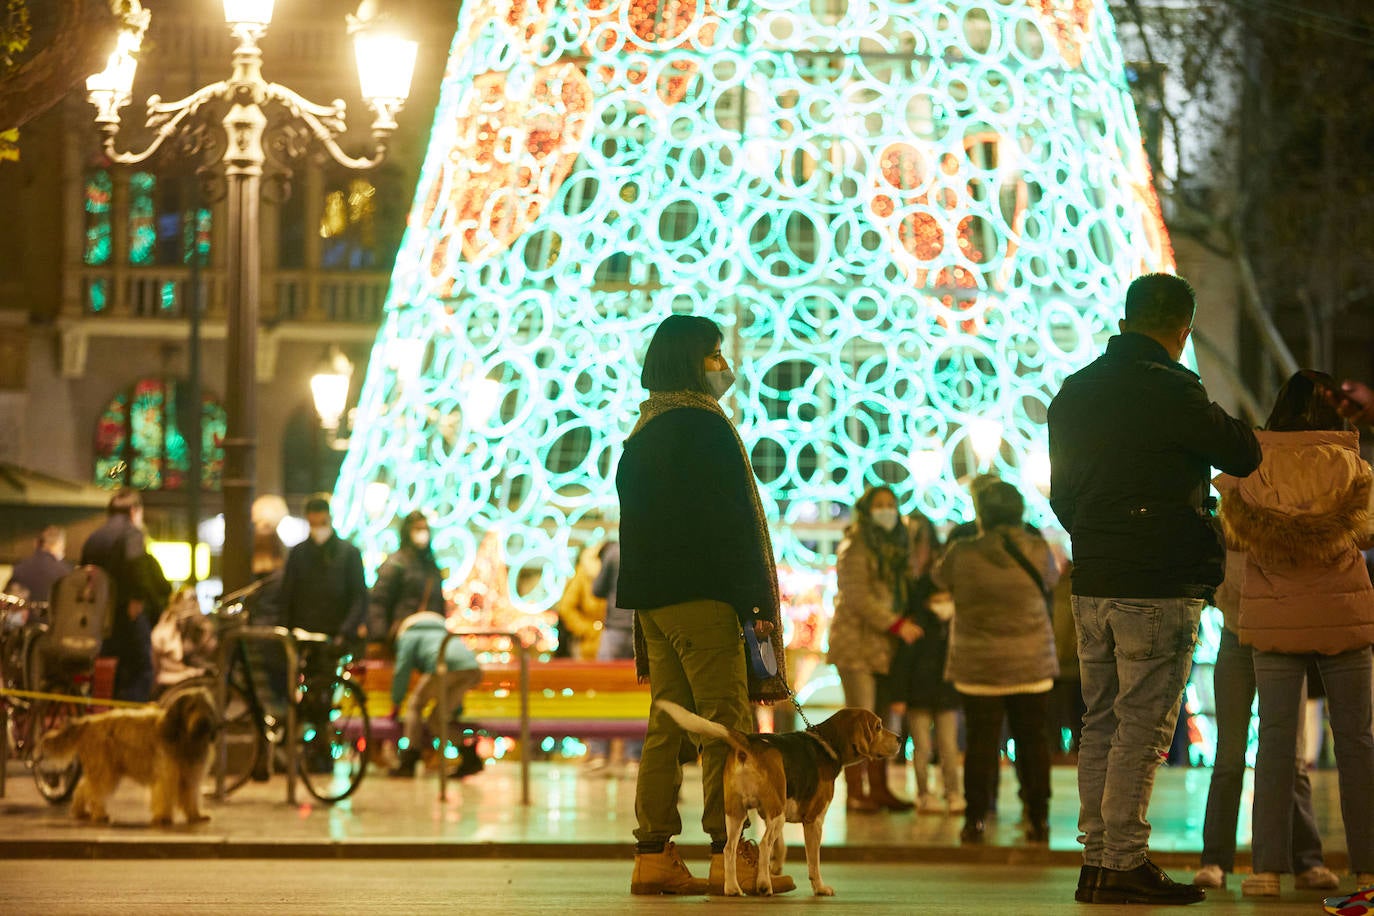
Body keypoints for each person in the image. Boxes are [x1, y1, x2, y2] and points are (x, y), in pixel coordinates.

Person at [1047, 272, 1262, 906]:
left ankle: (1096, 860)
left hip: (1094, 581)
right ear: (1182, 329)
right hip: (1157, 583)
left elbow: (1062, 492)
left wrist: (1096, 531)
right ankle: (1124, 862)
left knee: (1101, 723)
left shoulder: (1075, 391)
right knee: (1142, 727)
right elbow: (1243, 452)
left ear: (1125, 318)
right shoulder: (1175, 390)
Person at [615, 314, 793, 896]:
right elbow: (731, 525)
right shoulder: (704, 426)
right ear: (692, 361)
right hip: (703, 599)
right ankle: (728, 852)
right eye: (713, 354)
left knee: (667, 723)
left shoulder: (643, 431)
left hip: (655, 606)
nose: (722, 364)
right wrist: (753, 600)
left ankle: (652, 853)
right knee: (726, 725)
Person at [1214, 369, 1374, 896]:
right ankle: (1368, 867)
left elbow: (1233, 534)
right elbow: (1367, 528)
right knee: (1357, 745)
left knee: (1277, 744)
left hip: (1271, 616)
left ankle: (1266, 871)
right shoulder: (1352, 463)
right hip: (1342, 614)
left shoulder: (1254, 464)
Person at [1192, 545, 1340, 892]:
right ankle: (1215, 860)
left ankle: (1307, 861)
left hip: (1279, 634)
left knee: (1290, 756)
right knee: (1229, 757)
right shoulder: (1233, 508)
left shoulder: (1281, 508)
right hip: (1238, 633)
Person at [935, 480, 1058, 845]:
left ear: (981, 513)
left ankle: (975, 819)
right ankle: (1038, 817)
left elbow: (940, 579)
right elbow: (1051, 581)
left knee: (980, 743)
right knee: (1033, 741)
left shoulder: (962, 553)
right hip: (1030, 663)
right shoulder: (1037, 549)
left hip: (978, 665)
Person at [828, 485, 922, 813]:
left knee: (880, 721)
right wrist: (896, 623)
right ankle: (856, 792)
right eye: (879, 505)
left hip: (884, 648)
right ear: (866, 511)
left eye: (890, 504)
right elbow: (857, 596)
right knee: (860, 721)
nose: (886, 510)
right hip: (857, 645)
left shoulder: (898, 546)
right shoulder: (856, 545)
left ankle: (879, 788)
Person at [889, 509, 963, 816]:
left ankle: (946, 793)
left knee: (940, 747)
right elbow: (905, 661)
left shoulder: (940, 625)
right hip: (929, 692)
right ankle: (933, 794)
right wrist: (899, 695)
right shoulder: (935, 626)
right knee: (930, 748)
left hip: (938, 692)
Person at [81, 488, 171, 702]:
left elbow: (85, 575)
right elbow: (136, 566)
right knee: (143, 669)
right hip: (127, 614)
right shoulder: (132, 533)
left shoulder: (94, 538)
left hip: (101, 617)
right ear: (134, 510)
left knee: (109, 671)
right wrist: (137, 599)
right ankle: (129, 716)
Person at [387, 606, 484, 779]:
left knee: (415, 705)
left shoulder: (409, 635)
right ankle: (470, 757)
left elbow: (402, 669)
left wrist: (396, 701)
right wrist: (457, 708)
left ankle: (409, 759)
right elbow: (456, 677)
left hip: (442, 666)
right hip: (471, 669)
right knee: (436, 719)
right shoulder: (444, 633)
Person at [278, 493, 367, 643]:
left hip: (337, 635)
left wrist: (345, 632)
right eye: (314, 523)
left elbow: (359, 596)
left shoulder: (349, 553)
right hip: (302, 635)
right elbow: (287, 594)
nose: (318, 528)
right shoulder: (298, 553)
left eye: (322, 522)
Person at [586, 539, 642, 774]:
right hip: (640, 633)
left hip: (614, 632)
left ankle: (599, 752)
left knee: (603, 692)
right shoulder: (644, 549)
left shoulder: (612, 554)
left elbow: (597, 590)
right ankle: (634, 756)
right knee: (637, 694)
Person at [368, 511, 447, 646]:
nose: (422, 533)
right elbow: (378, 602)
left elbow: (438, 602)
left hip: (431, 634)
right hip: (403, 636)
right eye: (417, 529)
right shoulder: (395, 563)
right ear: (407, 531)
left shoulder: (431, 566)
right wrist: (380, 637)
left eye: (425, 529)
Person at [150, 585, 217, 692]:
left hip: (197, 683)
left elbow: (209, 657)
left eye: (193, 600)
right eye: (186, 601)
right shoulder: (163, 632)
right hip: (170, 685)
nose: (190, 605)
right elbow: (157, 667)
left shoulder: (203, 629)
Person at [557, 545, 607, 661]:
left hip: (611, 642)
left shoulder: (613, 572)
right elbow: (566, 608)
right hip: (586, 645)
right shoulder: (582, 574)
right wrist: (589, 630)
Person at [5, 525, 73, 605]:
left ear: (36, 543)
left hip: (27, 616)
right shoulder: (66, 573)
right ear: (59, 544)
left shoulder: (19, 569)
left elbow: (7, 602)